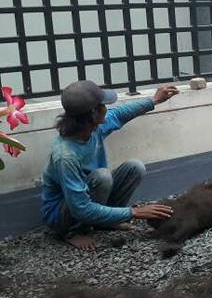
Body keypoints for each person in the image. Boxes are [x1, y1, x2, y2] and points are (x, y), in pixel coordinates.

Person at [40, 80, 180, 251]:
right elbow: (80, 208)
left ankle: (106, 222)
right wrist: (134, 212)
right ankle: (74, 232)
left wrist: (154, 100)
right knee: (103, 176)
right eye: (104, 105)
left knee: (134, 167)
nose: (107, 108)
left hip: (88, 194)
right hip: (62, 215)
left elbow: (120, 114)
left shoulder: (91, 128)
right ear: (93, 113)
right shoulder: (66, 156)